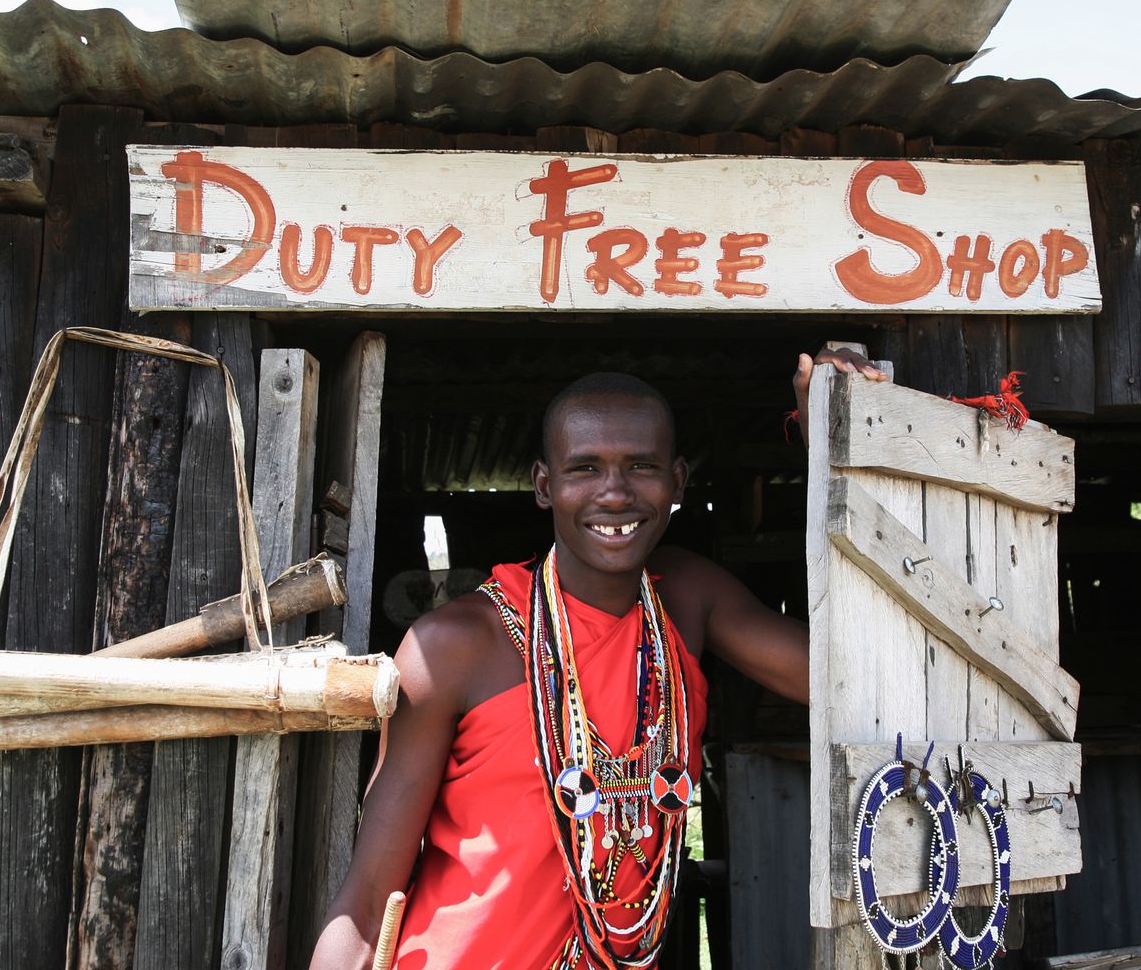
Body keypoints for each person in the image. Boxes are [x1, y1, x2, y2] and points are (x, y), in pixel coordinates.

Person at [311, 349, 887, 970]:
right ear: (544, 485)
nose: (615, 493)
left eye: (641, 466)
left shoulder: (688, 601)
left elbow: (850, 677)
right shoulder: (454, 645)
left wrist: (834, 441)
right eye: (585, 468)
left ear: (678, 481)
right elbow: (369, 901)